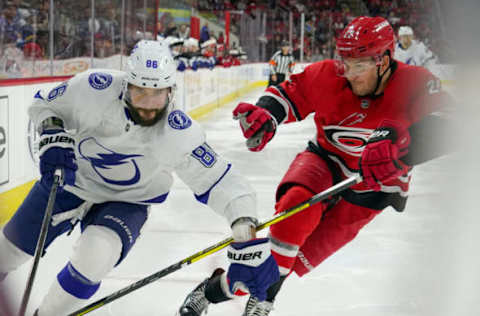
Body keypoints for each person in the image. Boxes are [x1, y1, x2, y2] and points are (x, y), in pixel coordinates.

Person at [179, 16, 452, 316]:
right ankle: (261, 300)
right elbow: (287, 93)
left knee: (292, 261)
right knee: (292, 218)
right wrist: (267, 115)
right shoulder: (329, 75)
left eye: (359, 66)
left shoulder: (414, 82)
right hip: (325, 161)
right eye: (345, 63)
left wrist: (404, 145)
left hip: (374, 187)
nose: (350, 74)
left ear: (385, 60)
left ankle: (219, 289)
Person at [0, 40, 279, 316]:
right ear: (126, 87)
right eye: (139, 94)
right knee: (6, 252)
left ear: (171, 92)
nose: (147, 106)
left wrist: (243, 220)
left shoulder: (177, 131)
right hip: (71, 183)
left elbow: (220, 179)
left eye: (156, 96)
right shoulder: (92, 88)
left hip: (128, 202)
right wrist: (52, 132)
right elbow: (44, 105)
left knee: (95, 255)